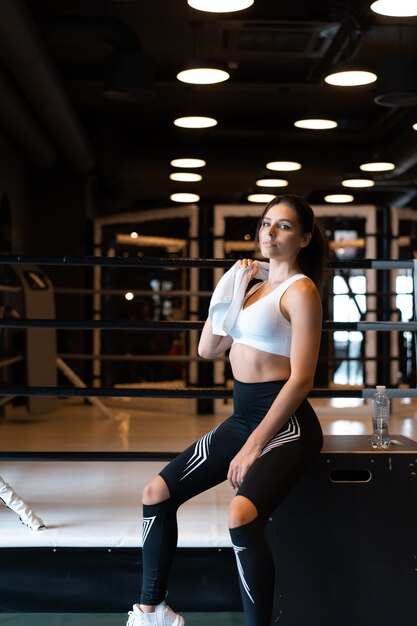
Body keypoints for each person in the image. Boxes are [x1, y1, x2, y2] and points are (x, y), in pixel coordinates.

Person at [126, 194, 326, 626]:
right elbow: (208, 348)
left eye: (284, 226)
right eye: (266, 223)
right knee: (156, 493)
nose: (269, 232)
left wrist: (254, 446)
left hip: (285, 424)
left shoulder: (301, 291)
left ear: (305, 238)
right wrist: (228, 289)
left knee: (240, 515)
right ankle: (151, 610)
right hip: (242, 417)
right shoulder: (253, 288)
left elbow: (302, 379)